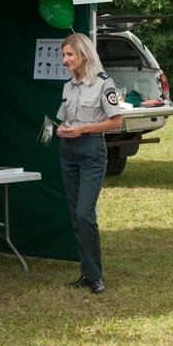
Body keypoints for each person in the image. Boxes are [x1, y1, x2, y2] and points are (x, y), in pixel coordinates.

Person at [57, 33, 123, 295]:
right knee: (75, 216)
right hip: (68, 151)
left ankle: (96, 276)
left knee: (85, 213)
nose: (65, 60)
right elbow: (63, 119)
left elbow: (116, 122)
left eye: (69, 55)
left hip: (92, 150)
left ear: (84, 54)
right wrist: (62, 129)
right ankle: (87, 272)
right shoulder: (68, 86)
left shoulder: (104, 84)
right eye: (63, 55)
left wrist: (84, 128)